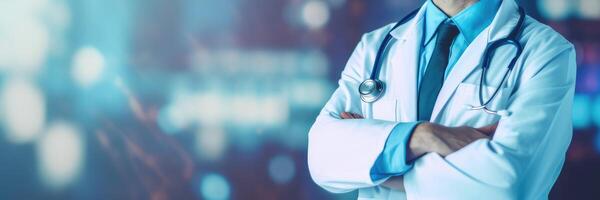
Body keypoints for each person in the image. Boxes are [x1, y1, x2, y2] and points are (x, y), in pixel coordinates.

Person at [307, 0, 576, 199]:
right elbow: (321, 158)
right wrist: (423, 136)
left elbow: (508, 184)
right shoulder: (376, 46)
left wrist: (380, 163)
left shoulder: (547, 53)